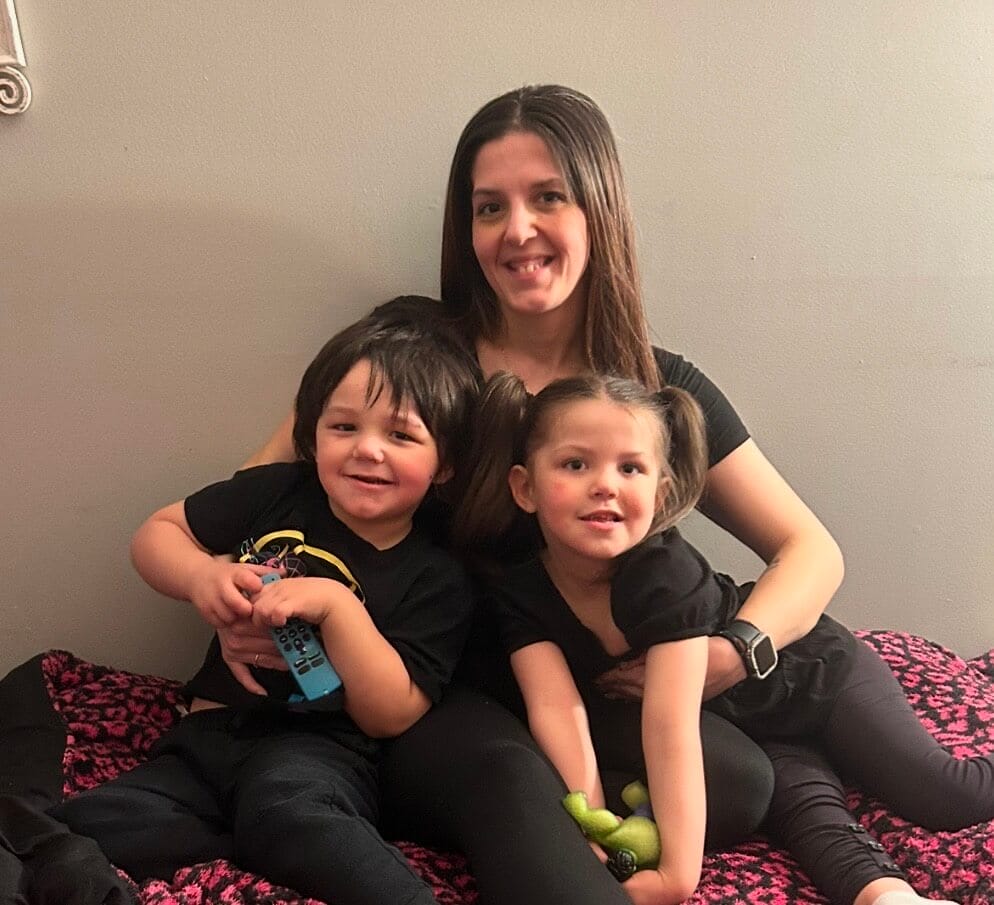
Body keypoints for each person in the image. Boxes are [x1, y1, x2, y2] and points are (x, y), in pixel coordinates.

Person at [233, 85, 845, 905]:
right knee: (509, 778)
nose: (517, 230)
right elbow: (261, 495)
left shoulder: (655, 387)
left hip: (593, 692)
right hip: (446, 691)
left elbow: (811, 550)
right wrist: (237, 602)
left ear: (598, 207)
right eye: (490, 207)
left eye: (548, 197)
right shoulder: (418, 352)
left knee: (739, 780)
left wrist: (733, 649)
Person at [458, 369, 991, 905]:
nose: (605, 484)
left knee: (944, 791)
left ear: (661, 492)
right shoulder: (520, 592)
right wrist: (592, 828)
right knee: (803, 810)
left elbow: (670, 725)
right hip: (748, 728)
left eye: (631, 468)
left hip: (814, 678)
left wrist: (676, 877)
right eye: (575, 464)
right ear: (524, 487)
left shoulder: (663, 574)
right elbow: (558, 712)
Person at [54, 300, 480, 905]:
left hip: (316, 755)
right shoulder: (278, 493)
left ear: (446, 466)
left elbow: (392, 713)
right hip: (205, 737)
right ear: (311, 434)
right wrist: (201, 575)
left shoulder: (438, 573)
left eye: (401, 434)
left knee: (288, 815)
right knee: (87, 825)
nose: (368, 449)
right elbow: (156, 535)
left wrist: (339, 607)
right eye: (344, 427)